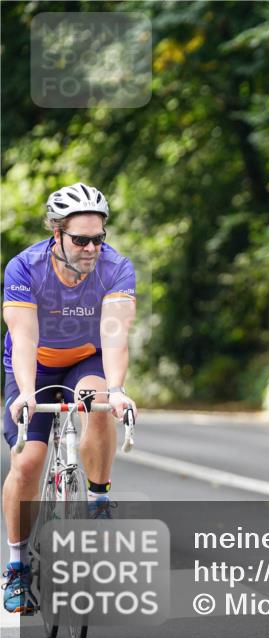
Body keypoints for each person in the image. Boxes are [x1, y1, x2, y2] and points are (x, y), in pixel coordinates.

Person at [2, 183, 138, 614]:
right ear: (56, 233)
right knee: (27, 462)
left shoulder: (116, 268)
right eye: (81, 240)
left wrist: (116, 391)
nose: (92, 248)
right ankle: (17, 566)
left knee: (97, 401)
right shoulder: (25, 267)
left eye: (99, 238)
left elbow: (115, 335)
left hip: (86, 358)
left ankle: (97, 498)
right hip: (35, 363)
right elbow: (24, 338)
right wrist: (26, 393)